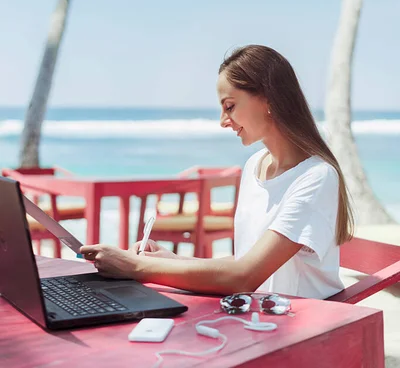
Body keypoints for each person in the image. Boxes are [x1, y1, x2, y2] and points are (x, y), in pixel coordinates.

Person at [81, 45, 354, 299]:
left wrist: (135, 267)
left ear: (268, 98)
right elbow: (243, 262)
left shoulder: (316, 177)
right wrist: (167, 260)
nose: (223, 121)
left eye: (230, 106)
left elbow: (244, 277)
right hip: (260, 319)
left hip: (303, 327)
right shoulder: (255, 167)